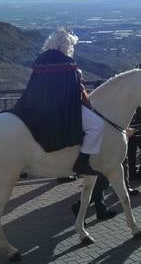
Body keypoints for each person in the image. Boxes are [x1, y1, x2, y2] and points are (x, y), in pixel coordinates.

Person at [11, 28, 103, 175]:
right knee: (97, 125)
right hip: (64, 110)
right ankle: (82, 162)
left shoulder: (41, 60)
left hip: (39, 107)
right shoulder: (68, 63)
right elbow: (77, 92)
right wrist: (89, 106)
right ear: (67, 45)